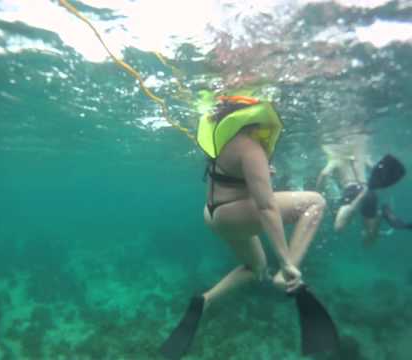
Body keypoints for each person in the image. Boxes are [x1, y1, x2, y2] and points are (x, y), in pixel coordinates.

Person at [160, 94, 339, 360]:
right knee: (316, 202)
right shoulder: (251, 148)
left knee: (256, 269)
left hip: (213, 216)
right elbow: (266, 208)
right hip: (233, 216)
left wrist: (261, 172)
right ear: (252, 120)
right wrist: (286, 261)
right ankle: (286, 274)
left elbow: (231, 178)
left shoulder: (223, 142)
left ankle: (204, 302)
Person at [316, 134, 406, 247]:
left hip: (351, 189)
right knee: (369, 236)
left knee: (338, 227)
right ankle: (381, 213)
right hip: (369, 191)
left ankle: (359, 201)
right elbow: (375, 169)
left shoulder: (336, 158)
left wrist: (318, 191)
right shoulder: (361, 157)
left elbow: (324, 174)